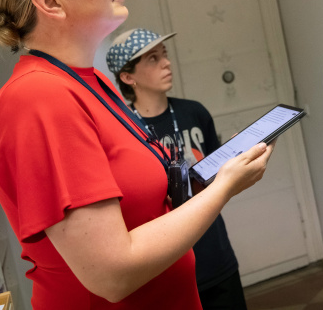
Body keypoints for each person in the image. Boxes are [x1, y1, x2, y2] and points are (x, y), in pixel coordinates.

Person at [0, 0, 272, 310]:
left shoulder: (89, 81)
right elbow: (112, 275)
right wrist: (224, 187)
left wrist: (213, 175)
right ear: (50, 2)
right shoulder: (38, 98)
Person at [106, 28, 247, 310]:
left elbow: (213, 174)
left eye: (165, 55)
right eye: (153, 59)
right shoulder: (123, 130)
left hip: (215, 251)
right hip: (167, 264)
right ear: (128, 77)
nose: (166, 63)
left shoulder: (194, 112)